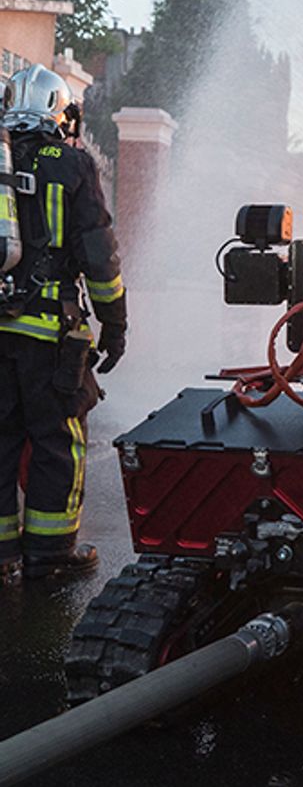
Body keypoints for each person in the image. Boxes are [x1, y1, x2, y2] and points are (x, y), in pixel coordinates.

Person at [0, 64, 126, 585]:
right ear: (61, 111)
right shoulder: (73, 165)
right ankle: (50, 555)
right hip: (48, 331)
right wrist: (114, 324)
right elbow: (98, 256)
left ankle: (2, 551)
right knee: (57, 437)